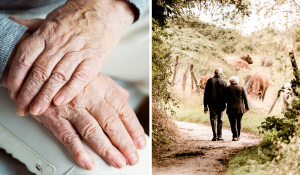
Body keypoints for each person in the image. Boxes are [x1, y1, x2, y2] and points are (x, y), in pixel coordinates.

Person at [0, 0, 149, 174]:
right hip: (11, 30)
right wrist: (18, 54)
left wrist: (108, 10)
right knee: (117, 169)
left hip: (89, 9)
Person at [204, 68, 227, 141]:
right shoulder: (223, 82)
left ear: (214, 73)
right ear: (221, 74)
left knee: (213, 119)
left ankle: (214, 136)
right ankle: (220, 136)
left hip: (211, 103)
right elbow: (226, 95)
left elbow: (206, 94)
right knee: (220, 119)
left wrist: (205, 105)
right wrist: (226, 103)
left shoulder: (209, 81)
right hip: (221, 104)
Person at [224, 76, 249, 141]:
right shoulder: (241, 88)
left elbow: (225, 99)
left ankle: (234, 136)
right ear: (237, 81)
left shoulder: (227, 88)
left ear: (230, 81)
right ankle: (238, 136)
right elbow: (245, 99)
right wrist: (247, 107)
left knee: (233, 122)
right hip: (240, 108)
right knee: (239, 122)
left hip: (231, 108)